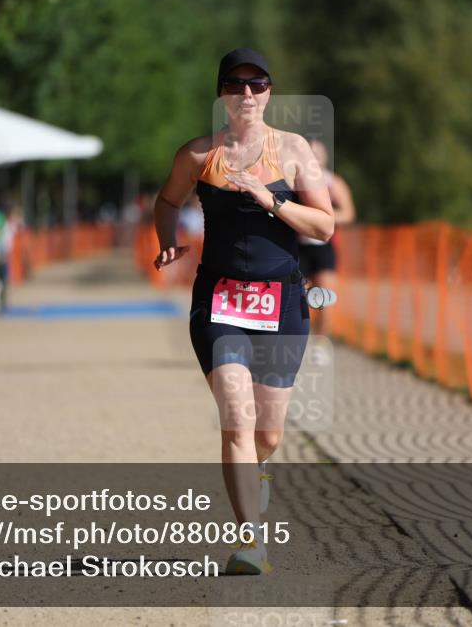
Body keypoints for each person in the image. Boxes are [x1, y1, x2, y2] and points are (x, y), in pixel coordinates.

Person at [152, 48, 334, 574]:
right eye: (235, 84)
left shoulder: (294, 150)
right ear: (221, 94)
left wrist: (270, 198)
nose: (246, 94)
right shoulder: (198, 155)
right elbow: (167, 202)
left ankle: (258, 474)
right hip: (220, 301)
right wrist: (167, 239)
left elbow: (324, 227)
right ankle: (250, 541)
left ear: (270, 92)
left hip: (283, 306)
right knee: (237, 418)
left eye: (257, 85)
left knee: (268, 434)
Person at [298, 140, 355, 336]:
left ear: (325, 158)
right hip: (297, 247)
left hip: (323, 247)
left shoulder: (333, 183)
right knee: (296, 300)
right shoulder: (294, 180)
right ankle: (298, 342)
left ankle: (321, 341)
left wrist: (322, 218)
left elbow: (348, 214)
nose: (313, 158)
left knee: (324, 300)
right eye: (309, 153)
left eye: (317, 154)